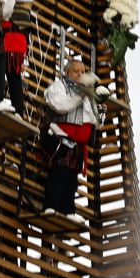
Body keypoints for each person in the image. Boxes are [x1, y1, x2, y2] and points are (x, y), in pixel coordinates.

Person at [41, 57, 106, 223]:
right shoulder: (58, 86)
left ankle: (68, 210)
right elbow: (60, 105)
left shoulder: (88, 95)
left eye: (83, 71)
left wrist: (101, 109)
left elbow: (95, 122)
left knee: (72, 178)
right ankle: (50, 206)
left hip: (77, 143)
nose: (80, 74)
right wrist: (80, 94)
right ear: (67, 72)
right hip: (59, 137)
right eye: (76, 71)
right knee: (59, 173)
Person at [3, 2, 36, 113]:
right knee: (14, 77)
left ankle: (17, 110)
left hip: (11, 44)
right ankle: (18, 110)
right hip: (17, 47)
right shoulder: (26, 16)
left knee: (11, 77)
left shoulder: (13, 9)